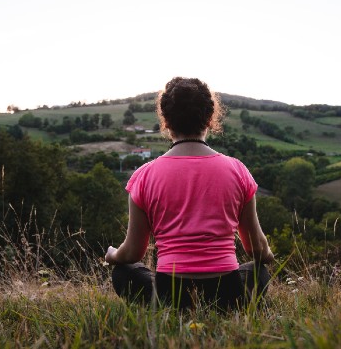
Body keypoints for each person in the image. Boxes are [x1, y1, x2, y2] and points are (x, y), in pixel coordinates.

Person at [104, 76, 274, 310]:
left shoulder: (144, 175)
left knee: (124, 271)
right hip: (228, 295)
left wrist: (112, 256)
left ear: (165, 121)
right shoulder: (238, 170)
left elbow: (132, 252)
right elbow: (256, 249)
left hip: (170, 295)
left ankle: (170, 309)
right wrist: (267, 255)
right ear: (210, 118)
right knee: (258, 271)